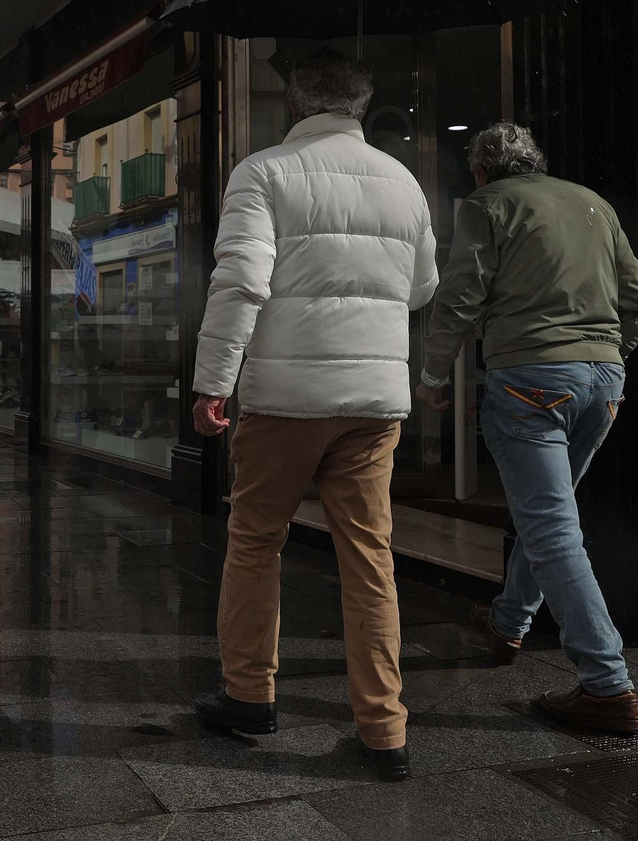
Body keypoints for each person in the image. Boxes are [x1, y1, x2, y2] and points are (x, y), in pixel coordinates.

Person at [190, 48, 438, 783]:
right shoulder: (404, 182)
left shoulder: (263, 173)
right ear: (359, 106)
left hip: (283, 401)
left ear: (295, 105)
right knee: (369, 558)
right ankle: (385, 728)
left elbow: (240, 282)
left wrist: (214, 382)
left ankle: (249, 694)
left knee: (256, 542)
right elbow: (421, 287)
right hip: (373, 403)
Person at [415, 122, 638, 734]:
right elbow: (635, 292)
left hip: (530, 380)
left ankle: (607, 682)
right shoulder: (593, 203)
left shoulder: (487, 204)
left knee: (551, 528)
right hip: (602, 380)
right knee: (551, 514)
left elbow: (462, 294)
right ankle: (510, 621)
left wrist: (434, 373)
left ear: (481, 169)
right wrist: (612, 355)